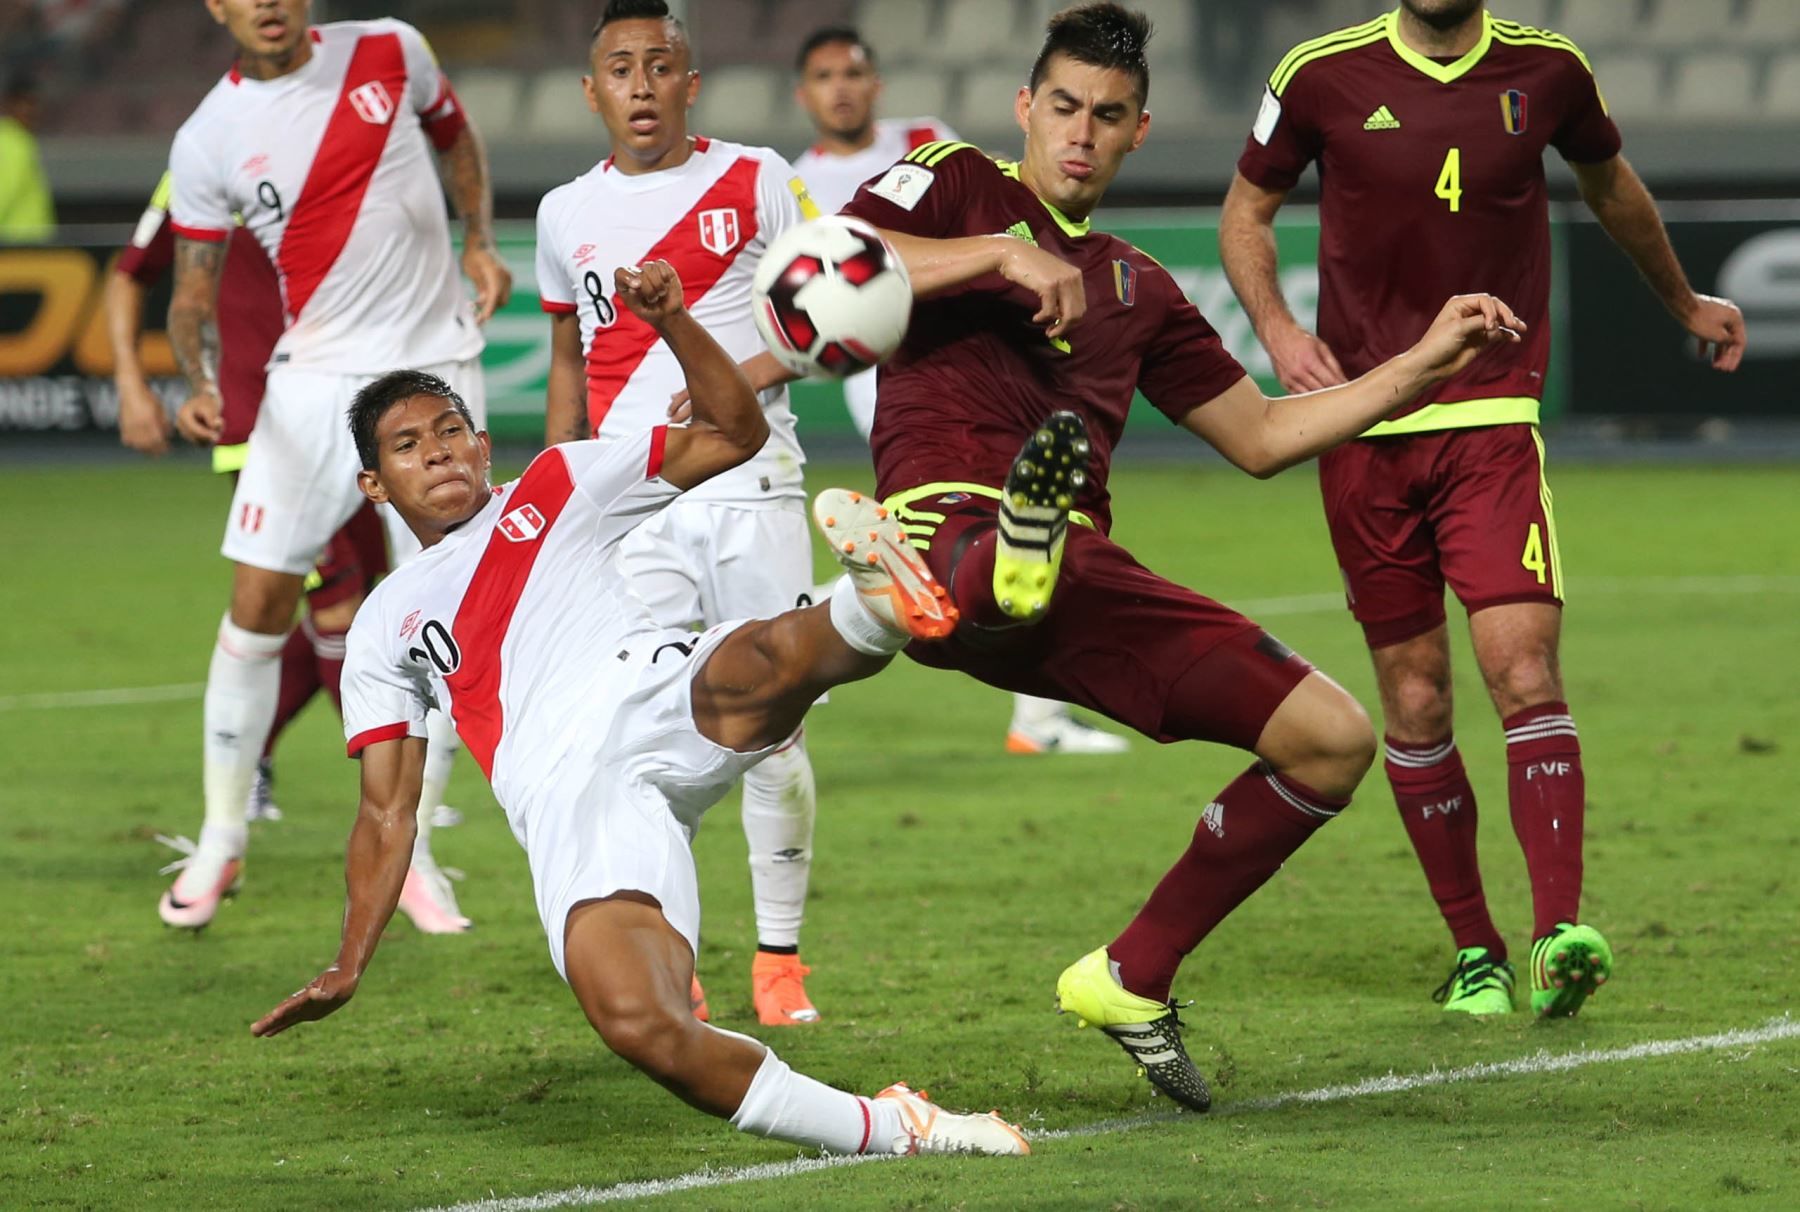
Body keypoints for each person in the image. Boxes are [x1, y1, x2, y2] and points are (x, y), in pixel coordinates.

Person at [818, 2, 1517, 1110]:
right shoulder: (952, 180)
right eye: (1062, 108)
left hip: (1074, 575)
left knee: (1332, 740)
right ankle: (965, 573)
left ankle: (1130, 975)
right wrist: (1001, 251)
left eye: (1107, 114)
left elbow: (1266, 437)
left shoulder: (1142, 289)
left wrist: (1423, 364)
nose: (1081, 132)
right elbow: (829, 262)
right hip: (944, 506)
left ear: (1138, 131)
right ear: (1024, 110)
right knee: (987, 548)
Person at [250, 261, 1029, 1160]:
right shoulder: (389, 618)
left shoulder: (556, 485)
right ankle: (900, 1127)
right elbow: (387, 810)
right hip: (573, 804)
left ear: (482, 445)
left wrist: (675, 321)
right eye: (408, 444)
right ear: (376, 485)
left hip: (647, 687)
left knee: (764, 661)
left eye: (452, 429)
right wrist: (351, 958)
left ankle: (881, 604)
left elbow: (734, 432)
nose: (439, 450)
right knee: (643, 1027)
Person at [1220, 0, 1745, 1017]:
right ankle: (1477, 953)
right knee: (1414, 700)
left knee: (1523, 666)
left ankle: (1555, 937)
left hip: (1494, 422)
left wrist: (1682, 301)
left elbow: (1610, 186)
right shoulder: (1319, 74)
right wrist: (1279, 331)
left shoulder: (1550, 72)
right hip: (1364, 431)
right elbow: (1247, 211)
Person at [158, 0, 511, 930]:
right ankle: (221, 841)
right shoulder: (208, 135)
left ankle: (419, 856)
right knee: (258, 607)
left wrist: (479, 235)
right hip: (309, 385)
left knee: (440, 617)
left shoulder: (394, 49)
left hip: (435, 365)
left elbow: (458, 137)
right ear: (216, 7)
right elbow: (190, 293)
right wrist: (194, 380)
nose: (267, 2)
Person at [535, 0, 822, 1026]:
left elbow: (821, 321)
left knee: (772, 732)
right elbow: (569, 362)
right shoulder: (564, 213)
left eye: (661, 66)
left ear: (690, 83)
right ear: (593, 90)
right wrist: (561, 490)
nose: (642, 85)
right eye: (622, 68)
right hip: (633, 506)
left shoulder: (755, 179)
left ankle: (779, 961)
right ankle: (675, 958)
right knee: (646, 737)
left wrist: (727, 378)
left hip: (754, 486)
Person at [108, 170, 469, 932]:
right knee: (317, 608)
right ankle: (230, 832)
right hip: (265, 429)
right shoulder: (206, 158)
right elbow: (135, 275)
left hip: (369, 410)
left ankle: (410, 845)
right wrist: (139, 383)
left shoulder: (354, 141)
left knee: (412, 614)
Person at [791, 23, 1128, 760]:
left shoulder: (928, 139)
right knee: (1011, 514)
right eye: (824, 77)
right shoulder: (794, 178)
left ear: (875, 84)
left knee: (1013, 520)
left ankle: (811, 631)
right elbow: (828, 271)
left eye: (853, 73)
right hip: (894, 358)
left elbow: (986, 208)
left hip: (981, 339)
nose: (841, 88)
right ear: (803, 94)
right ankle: (812, 634)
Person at [0, 75, 54, 241]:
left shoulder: (19, 140)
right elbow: (4, 192)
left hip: (26, 245)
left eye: (33, 103)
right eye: (23, 103)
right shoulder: (12, 141)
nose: (30, 110)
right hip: (19, 246)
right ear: (9, 104)